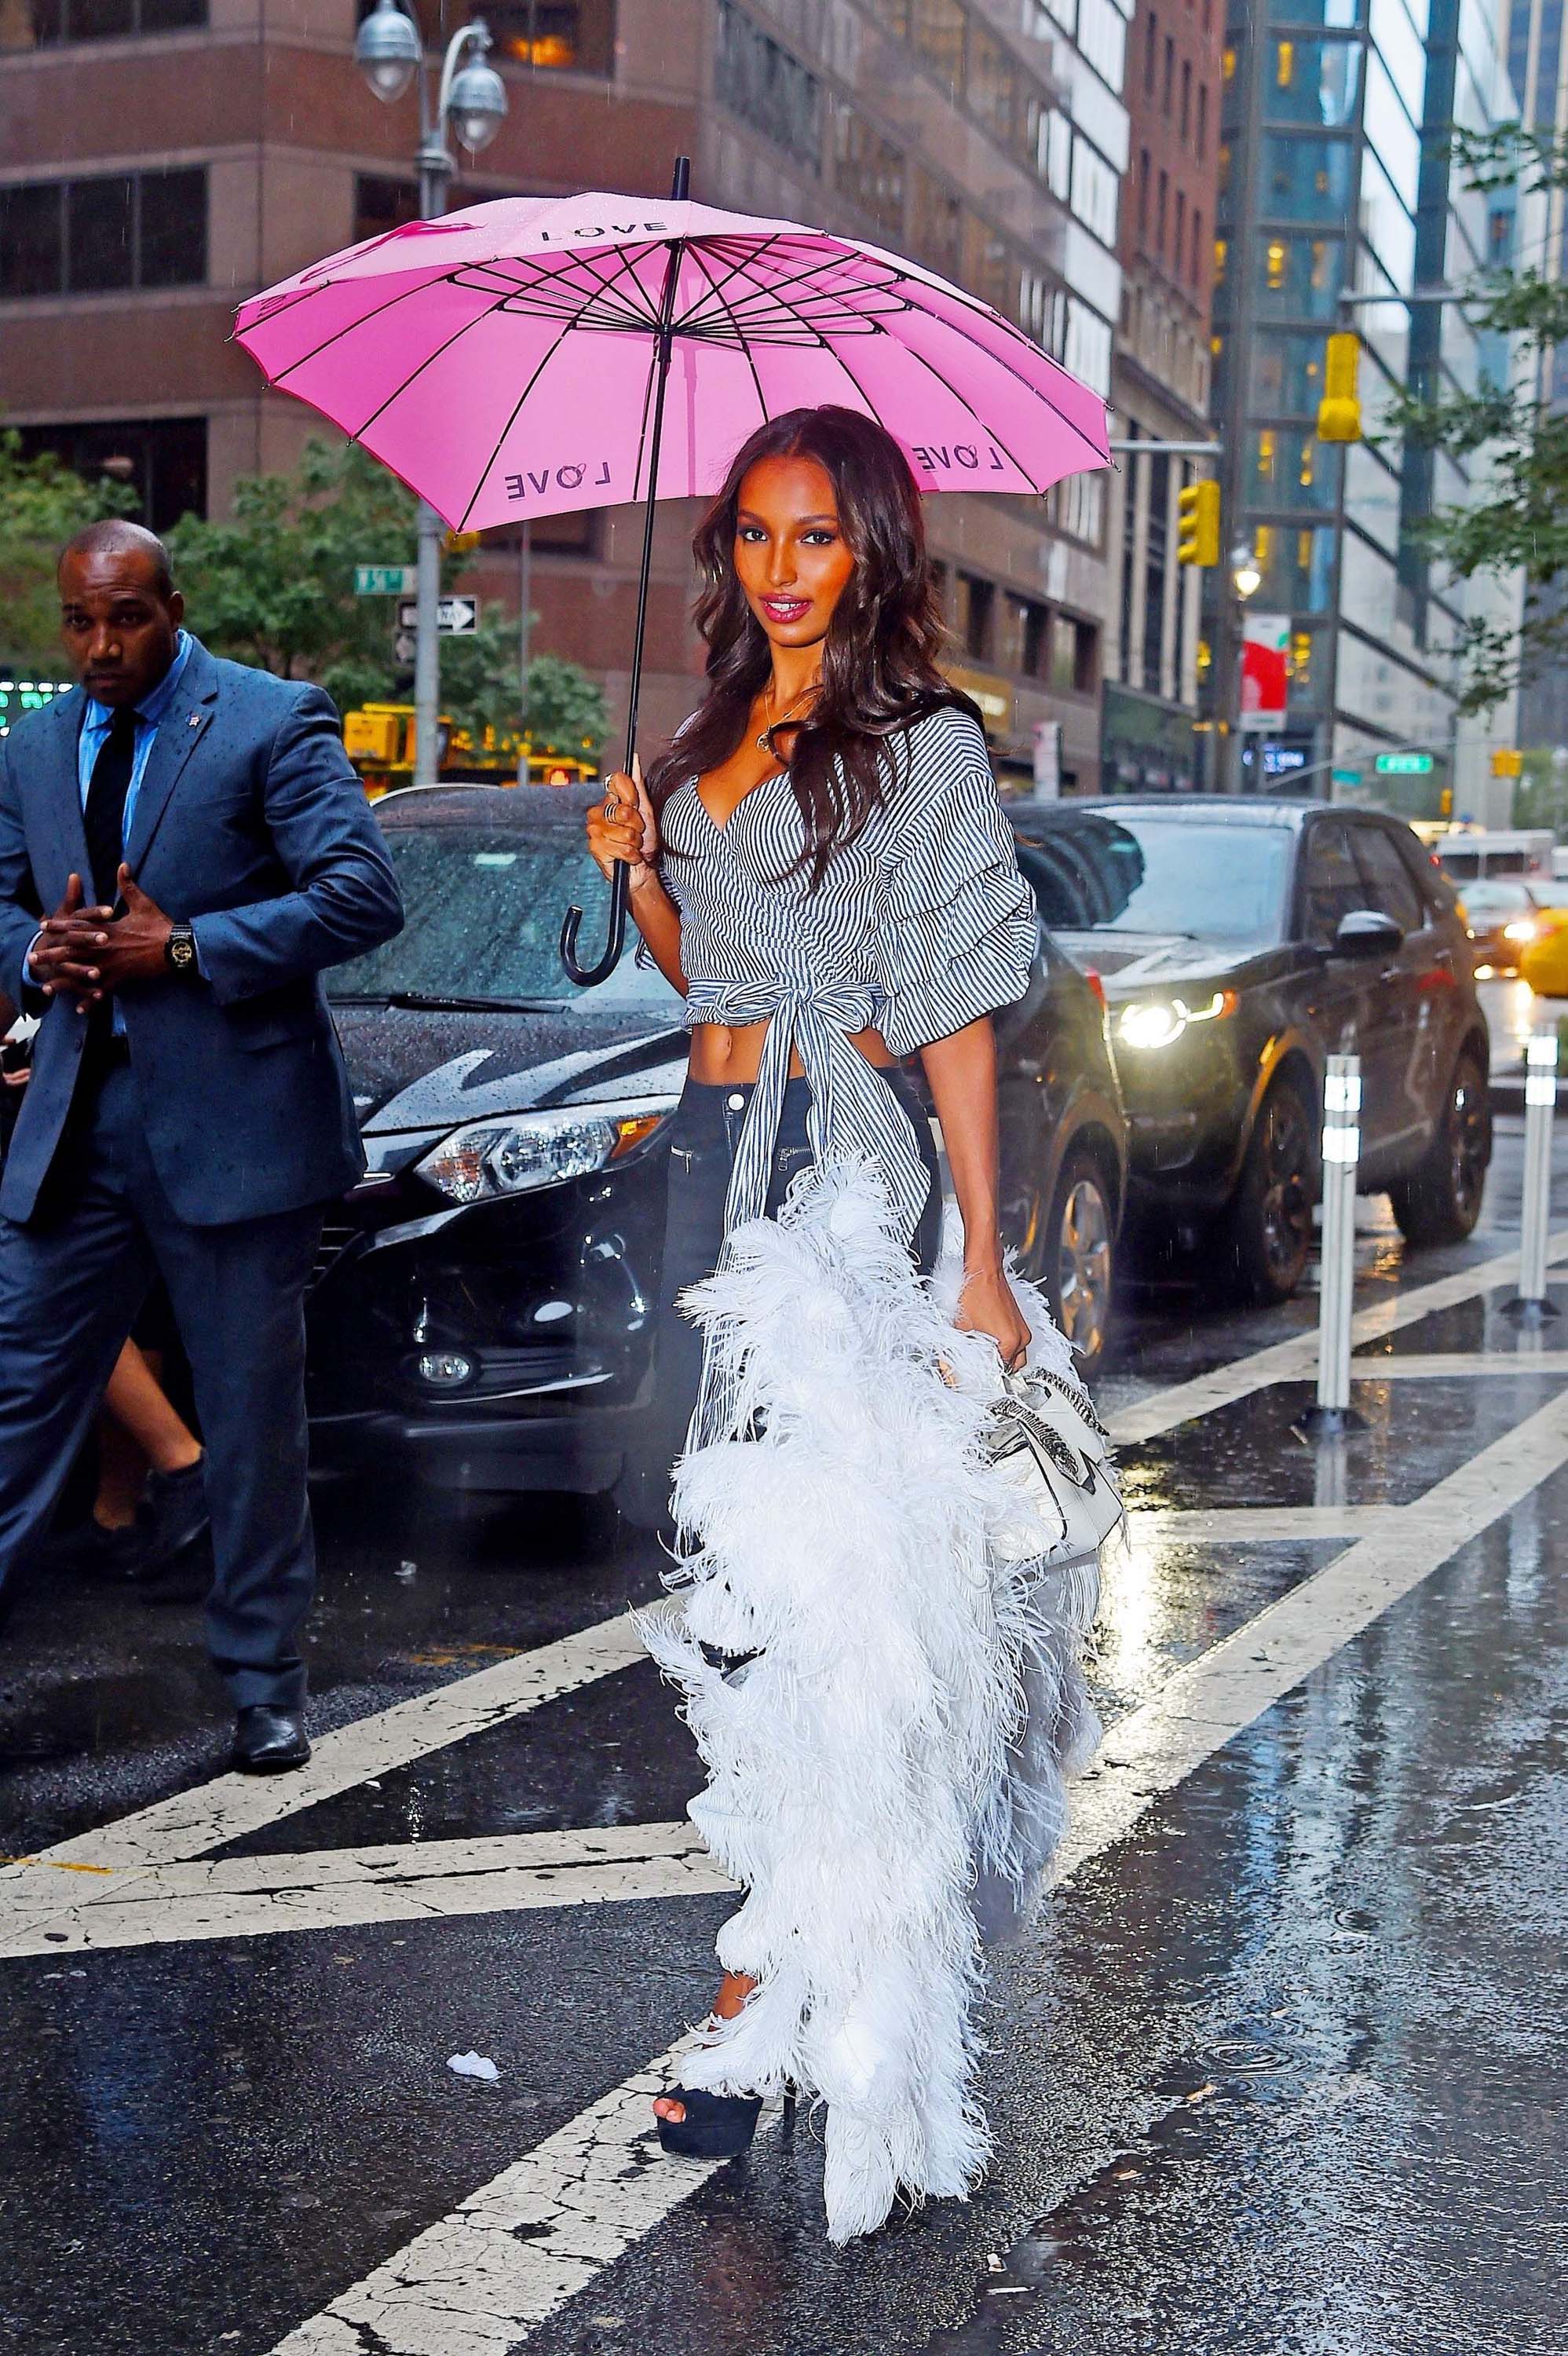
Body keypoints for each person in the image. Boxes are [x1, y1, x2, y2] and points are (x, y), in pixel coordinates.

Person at [584, 407, 1095, 2238]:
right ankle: (778, 1975)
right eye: (753, 536)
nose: (780, 570)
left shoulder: (924, 748)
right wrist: (641, 869)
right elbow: (712, 993)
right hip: (722, 1182)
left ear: (873, 553)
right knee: (745, 1610)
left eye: (816, 538)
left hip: (856, 1193)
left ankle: (753, 2014)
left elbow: (955, 1006)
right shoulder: (706, 739)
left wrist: (974, 1255)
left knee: (835, 1618)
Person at [0, 518, 404, 1771]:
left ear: (174, 606)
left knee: (248, 1421)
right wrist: (36, 951)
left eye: (127, 617)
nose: (103, 644)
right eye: (80, 622)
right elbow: (5, 894)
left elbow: (360, 894)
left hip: (237, 1128)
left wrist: (178, 949)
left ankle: (263, 1680)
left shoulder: (274, 718)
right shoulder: (32, 742)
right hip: (73, 1121)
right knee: (17, 1398)